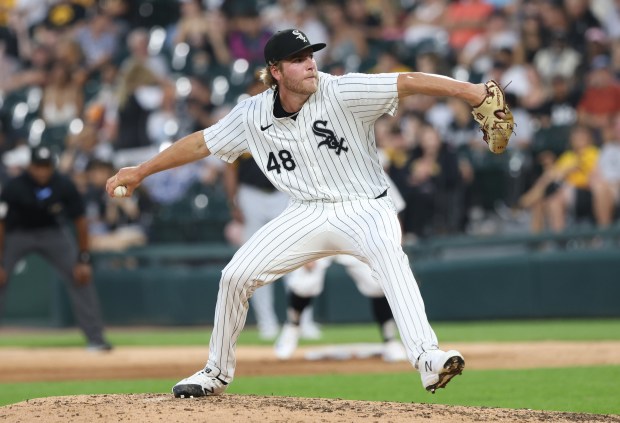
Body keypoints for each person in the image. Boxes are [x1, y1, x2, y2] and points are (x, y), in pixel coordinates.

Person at [106, 29, 494, 397]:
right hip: (306, 212)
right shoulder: (252, 114)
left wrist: (473, 92)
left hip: (364, 205)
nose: (310, 64)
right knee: (235, 276)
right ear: (275, 71)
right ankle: (216, 372)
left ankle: (428, 357)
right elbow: (199, 144)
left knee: (391, 259)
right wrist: (141, 171)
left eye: (310, 56)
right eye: (297, 59)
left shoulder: (342, 89)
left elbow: (406, 81)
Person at [274, 176, 408, 362]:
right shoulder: (315, 167)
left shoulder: (372, 168)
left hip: (360, 234)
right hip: (321, 230)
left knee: (378, 283)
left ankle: (389, 339)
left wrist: (393, 246)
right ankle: (292, 327)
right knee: (303, 283)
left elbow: (393, 210)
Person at [0, 146, 111, 351]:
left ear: (52, 167)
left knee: (81, 276)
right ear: (30, 166)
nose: (42, 172)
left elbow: (80, 221)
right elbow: (1, 223)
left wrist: (83, 258)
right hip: (18, 235)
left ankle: (96, 339)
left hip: (53, 234)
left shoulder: (63, 185)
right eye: (38, 167)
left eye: (46, 167)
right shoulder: (14, 186)